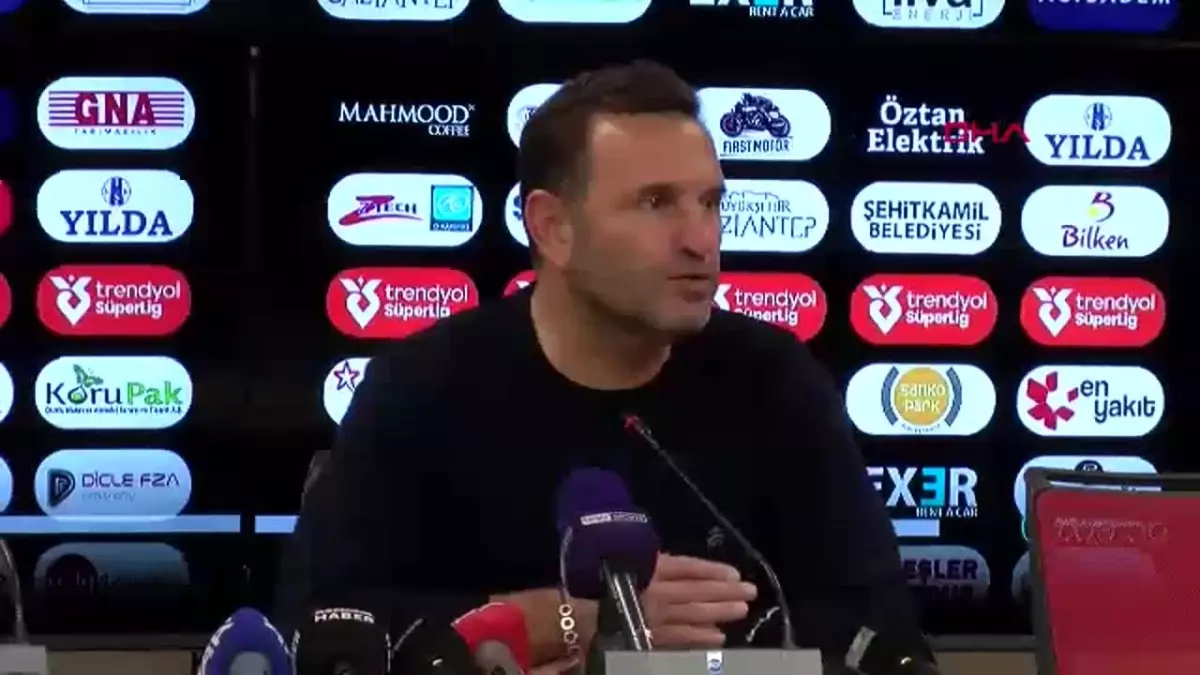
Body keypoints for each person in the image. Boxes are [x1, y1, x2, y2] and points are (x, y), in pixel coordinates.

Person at [278, 60, 926, 671]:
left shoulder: (773, 379)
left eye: (710, 203)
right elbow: (319, 623)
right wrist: (569, 620)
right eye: (655, 203)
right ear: (552, 227)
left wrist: (715, 644)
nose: (700, 239)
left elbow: (880, 624)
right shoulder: (422, 386)